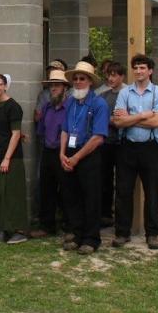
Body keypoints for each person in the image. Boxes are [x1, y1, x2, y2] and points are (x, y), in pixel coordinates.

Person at [111, 54, 158, 250]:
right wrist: (144, 115)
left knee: (152, 191)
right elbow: (117, 122)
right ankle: (122, 233)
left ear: (150, 71)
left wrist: (131, 118)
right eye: (136, 68)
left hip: (150, 148)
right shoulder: (125, 93)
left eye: (142, 68)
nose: (138, 71)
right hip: (127, 146)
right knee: (123, 191)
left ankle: (152, 234)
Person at [59, 61, 110, 254]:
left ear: (90, 82)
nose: (78, 82)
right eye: (76, 79)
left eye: (82, 79)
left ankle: (91, 238)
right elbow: (64, 129)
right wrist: (62, 154)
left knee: (91, 198)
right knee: (72, 196)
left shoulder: (99, 104)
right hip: (70, 154)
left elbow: (98, 137)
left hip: (88, 155)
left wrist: (77, 157)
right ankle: (76, 233)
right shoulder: (70, 101)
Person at [0, 74, 29, 245]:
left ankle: (18, 230)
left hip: (10, 158)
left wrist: (6, 158)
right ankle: (3, 228)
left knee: (12, 194)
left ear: (6, 86)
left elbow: (15, 133)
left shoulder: (13, 107)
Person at [35, 69, 70, 237]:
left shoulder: (70, 107)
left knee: (66, 189)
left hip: (64, 151)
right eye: (51, 86)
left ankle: (69, 224)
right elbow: (41, 129)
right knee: (46, 188)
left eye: (57, 86)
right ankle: (47, 225)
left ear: (65, 87)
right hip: (48, 150)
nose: (53, 89)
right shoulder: (47, 107)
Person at [99, 62, 125, 226]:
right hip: (106, 142)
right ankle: (106, 214)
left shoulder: (128, 94)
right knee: (105, 179)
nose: (110, 78)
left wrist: (113, 120)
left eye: (114, 75)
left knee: (123, 181)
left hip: (122, 142)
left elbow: (122, 121)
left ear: (122, 76)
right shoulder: (104, 96)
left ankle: (122, 216)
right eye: (109, 75)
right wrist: (113, 120)